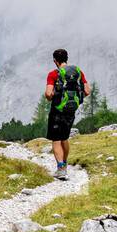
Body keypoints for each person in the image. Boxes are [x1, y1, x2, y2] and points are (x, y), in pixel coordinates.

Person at [45, 48, 89, 179]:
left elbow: (48, 94)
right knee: (64, 138)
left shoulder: (53, 74)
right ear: (66, 58)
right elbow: (87, 91)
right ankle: (65, 163)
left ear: (55, 61)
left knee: (56, 139)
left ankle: (61, 168)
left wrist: (51, 96)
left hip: (57, 110)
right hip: (71, 110)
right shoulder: (77, 72)